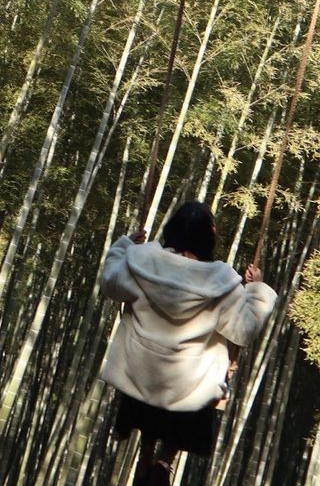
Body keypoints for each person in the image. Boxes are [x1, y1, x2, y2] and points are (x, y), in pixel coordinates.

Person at [99, 201, 277, 486]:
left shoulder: (144, 262)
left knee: (150, 387)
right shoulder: (222, 282)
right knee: (196, 391)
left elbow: (111, 284)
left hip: (141, 376)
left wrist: (124, 247)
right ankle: (165, 461)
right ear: (209, 236)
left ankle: (145, 454)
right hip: (189, 389)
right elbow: (243, 331)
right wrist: (256, 290)